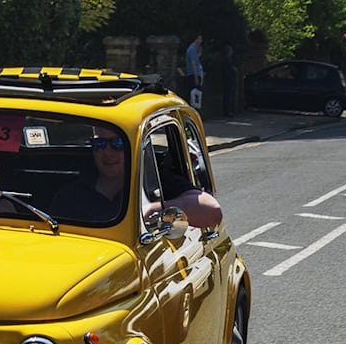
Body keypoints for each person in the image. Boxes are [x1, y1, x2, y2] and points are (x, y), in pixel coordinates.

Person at [50, 126, 222, 228]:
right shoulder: (72, 194)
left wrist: (155, 210)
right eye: (100, 143)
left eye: (118, 143)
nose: (107, 152)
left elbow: (212, 211)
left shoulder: (155, 182)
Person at [221, 44, 238, 118]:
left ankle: (227, 111)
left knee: (227, 95)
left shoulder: (224, 59)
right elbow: (231, 69)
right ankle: (228, 111)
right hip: (229, 79)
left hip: (225, 79)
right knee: (228, 96)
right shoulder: (228, 60)